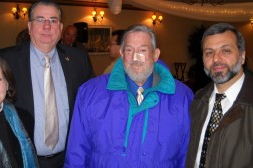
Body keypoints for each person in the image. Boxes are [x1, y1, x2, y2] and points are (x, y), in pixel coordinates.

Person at [64, 24, 193, 167]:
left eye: (142, 50)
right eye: (129, 50)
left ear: (155, 55)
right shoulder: (90, 93)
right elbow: (76, 153)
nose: (135, 57)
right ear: (122, 53)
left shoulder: (183, 97)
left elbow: (186, 156)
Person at [0, 1, 94, 167]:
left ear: (60, 27)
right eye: (40, 20)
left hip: (68, 159)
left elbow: (91, 101)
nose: (47, 26)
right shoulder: (5, 60)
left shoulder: (78, 59)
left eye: (53, 20)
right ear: (29, 26)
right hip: (22, 160)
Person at [185, 23, 253, 167]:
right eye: (209, 52)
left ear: (242, 56)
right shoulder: (197, 100)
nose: (216, 59)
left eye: (226, 51)